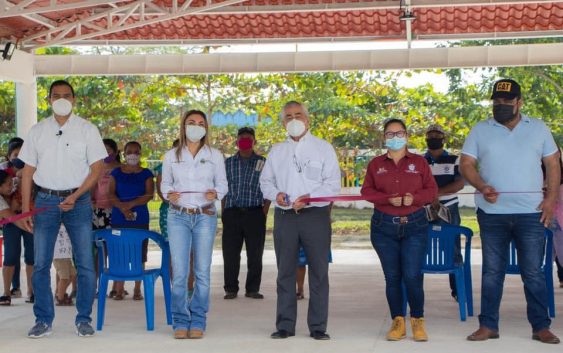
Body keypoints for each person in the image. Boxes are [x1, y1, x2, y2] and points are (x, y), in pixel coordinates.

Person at [461, 79, 560, 344]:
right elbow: (466, 164)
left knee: (534, 272)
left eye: (507, 101)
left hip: (531, 213)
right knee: (492, 271)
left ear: (519, 102)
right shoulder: (481, 130)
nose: (501, 105)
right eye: (497, 101)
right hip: (492, 215)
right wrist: (481, 186)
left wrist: (551, 199)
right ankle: (488, 325)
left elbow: (552, 163)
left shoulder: (538, 128)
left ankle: (540, 327)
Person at [18, 79, 107, 338]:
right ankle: (43, 319)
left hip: (78, 203)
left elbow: (97, 168)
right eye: (56, 95)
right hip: (45, 202)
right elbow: (27, 173)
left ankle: (83, 319)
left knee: (85, 263)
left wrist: (77, 195)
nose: (61, 99)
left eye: (66, 95)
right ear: (48, 99)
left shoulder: (87, 130)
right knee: (41, 263)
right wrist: (25, 210)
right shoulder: (37, 131)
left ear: (74, 99)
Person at [260, 101, 341, 340]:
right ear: (283, 122)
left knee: (319, 271)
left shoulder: (323, 148)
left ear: (307, 119)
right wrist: (277, 195)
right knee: (285, 271)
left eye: (298, 115)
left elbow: (333, 184)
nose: (293, 120)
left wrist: (310, 198)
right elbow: (266, 183)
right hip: (285, 217)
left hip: (315, 215)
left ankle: (318, 326)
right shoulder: (276, 150)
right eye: (288, 116)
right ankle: (285, 325)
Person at [361, 118, 437, 342]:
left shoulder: (420, 163)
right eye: (390, 134)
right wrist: (386, 199)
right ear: (384, 138)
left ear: (407, 136)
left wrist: (416, 198)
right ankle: (398, 321)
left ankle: (418, 320)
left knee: (412, 275)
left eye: (399, 133)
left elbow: (431, 190)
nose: (395, 138)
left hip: (415, 225)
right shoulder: (376, 164)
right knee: (393, 277)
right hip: (384, 227)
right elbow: (367, 191)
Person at [161, 109, 228, 339]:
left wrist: (215, 193)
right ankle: (180, 320)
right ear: (183, 125)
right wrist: (169, 193)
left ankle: (198, 319)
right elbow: (165, 184)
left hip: (205, 216)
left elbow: (223, 185)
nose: (196, 126)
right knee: (179, 272)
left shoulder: (215, 155)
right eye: (191, 122)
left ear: (206, 128)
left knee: (202, 271)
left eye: (200, 123)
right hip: (177, 216)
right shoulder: (171, 156)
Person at [222, 127, 270, 300]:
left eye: (248, 139)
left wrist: (263, 211)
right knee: (230, 253)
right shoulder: (228, 163)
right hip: (232, 212)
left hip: (255, 213)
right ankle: (230, 289)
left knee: (255, 253)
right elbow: (223, 189)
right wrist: (224, 211)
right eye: (242, 139)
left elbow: (269, 189)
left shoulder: (263, 163)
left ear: (254, 141)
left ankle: (252, 289)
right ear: (236, 142)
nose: (245, 141)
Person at [108, 140, 154, 301]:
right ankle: (119, 290)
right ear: (124, 154)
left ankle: (137, 289)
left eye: (136, 151)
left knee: (140, 253)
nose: (133, 155)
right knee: (119, 253)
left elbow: (149, 194)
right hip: (119, 217)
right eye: (129, 152)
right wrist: (123, 208)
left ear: (140, 154)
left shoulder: (146, 173)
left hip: (140, 217)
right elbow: (110, 193)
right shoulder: (115, 173)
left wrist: (131, 204)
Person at [423, 123, 465, 301]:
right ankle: (415, 294)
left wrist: (436, 194)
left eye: (437, 135)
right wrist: (429, 198)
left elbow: (460, 183)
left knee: (453, 250)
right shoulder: (419, 161)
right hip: (423, 209)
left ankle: (457, 291)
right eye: (430, 135)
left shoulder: (454, 159)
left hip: (449, 209)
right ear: (426, 139)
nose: (433, 138)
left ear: (443, 138)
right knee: (416, 249)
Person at [1, 139, 30, 301]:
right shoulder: (3, 174)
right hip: (11, 220)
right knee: (11, 255)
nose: (19, 158)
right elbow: (8, 211)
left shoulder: (33, 171)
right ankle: (8, 292)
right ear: (8, 156)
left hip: (29, 217)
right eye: (16, 155)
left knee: (31, 256)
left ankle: (31, 292)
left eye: (23, 155)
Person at [53, 225, 76, 306]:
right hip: (59, 256)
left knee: (73, 274)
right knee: (64, 277)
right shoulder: (54, 223)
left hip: (68, 255)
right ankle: (60, 298)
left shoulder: (69, 222)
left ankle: (59, 293)